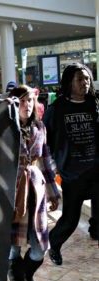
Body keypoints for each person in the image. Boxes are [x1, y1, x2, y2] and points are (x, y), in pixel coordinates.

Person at [7, 85, 60, 281]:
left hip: (35, 191)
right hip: (11, 191)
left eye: (30, 100)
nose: (27, 105)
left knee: (39, 249)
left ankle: (27, 277)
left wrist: (53, 192)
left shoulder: (40, 128)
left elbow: (46, 161)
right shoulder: (6, 128)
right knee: (12, 250)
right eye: (21, 101)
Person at [43, 63, 99, 265]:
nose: (85, 82)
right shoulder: (56, 109)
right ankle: (54, 244)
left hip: (96, 171)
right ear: (69, 82)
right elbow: (44, 141)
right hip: (72, 174)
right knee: (70, 221)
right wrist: (52, 167)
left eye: (87, 78)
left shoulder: (95, 103)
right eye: (79, 79)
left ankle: (95, 230)